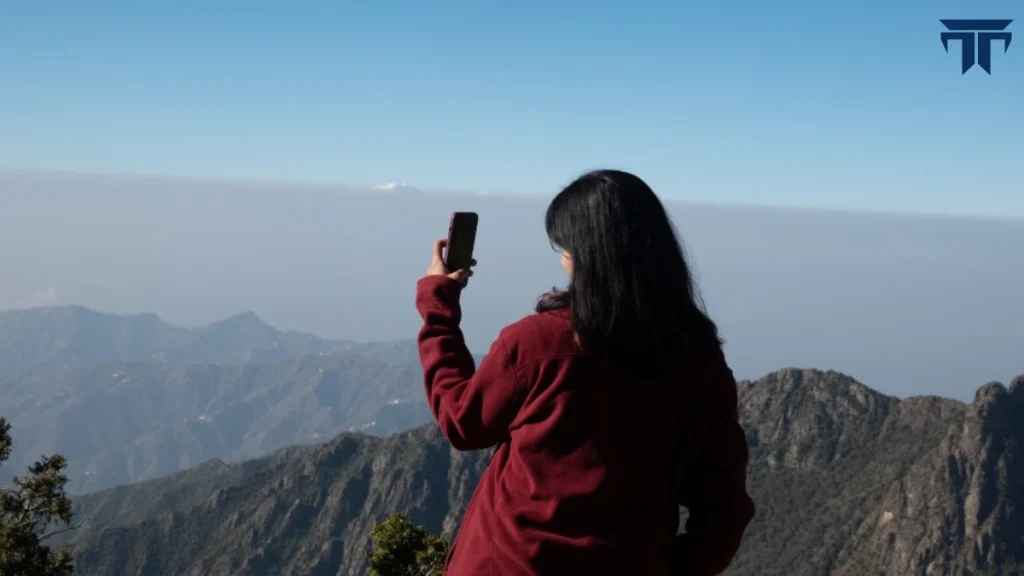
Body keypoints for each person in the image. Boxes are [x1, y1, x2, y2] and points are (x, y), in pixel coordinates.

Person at [414, 169, 755, 576]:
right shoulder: (699, 363)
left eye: (565, 247)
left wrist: (438, 303)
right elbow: (723, 509)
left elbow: (463, 422)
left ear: (587, 254)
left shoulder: (537, 344)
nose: (563, 259)